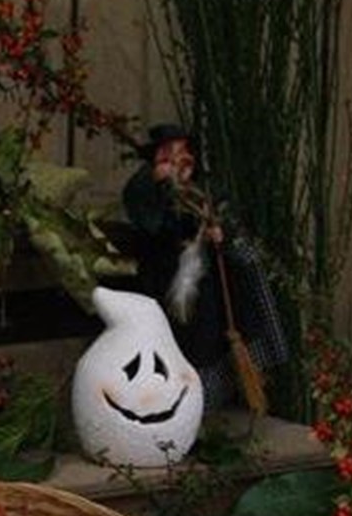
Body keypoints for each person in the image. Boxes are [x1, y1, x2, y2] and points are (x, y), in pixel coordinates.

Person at [120, 125, 289, 411]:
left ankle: (215, 395)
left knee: (215, 329)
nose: (178, 159)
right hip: (167, 280)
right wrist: (168, 191)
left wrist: (219, 232)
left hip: (209, 283)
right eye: (169, 153)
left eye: (183, 151)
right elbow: (152, 225)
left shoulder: (206, 188)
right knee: (184, 335)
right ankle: (177, 402)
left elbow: (226, 218)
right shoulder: (143, 187)